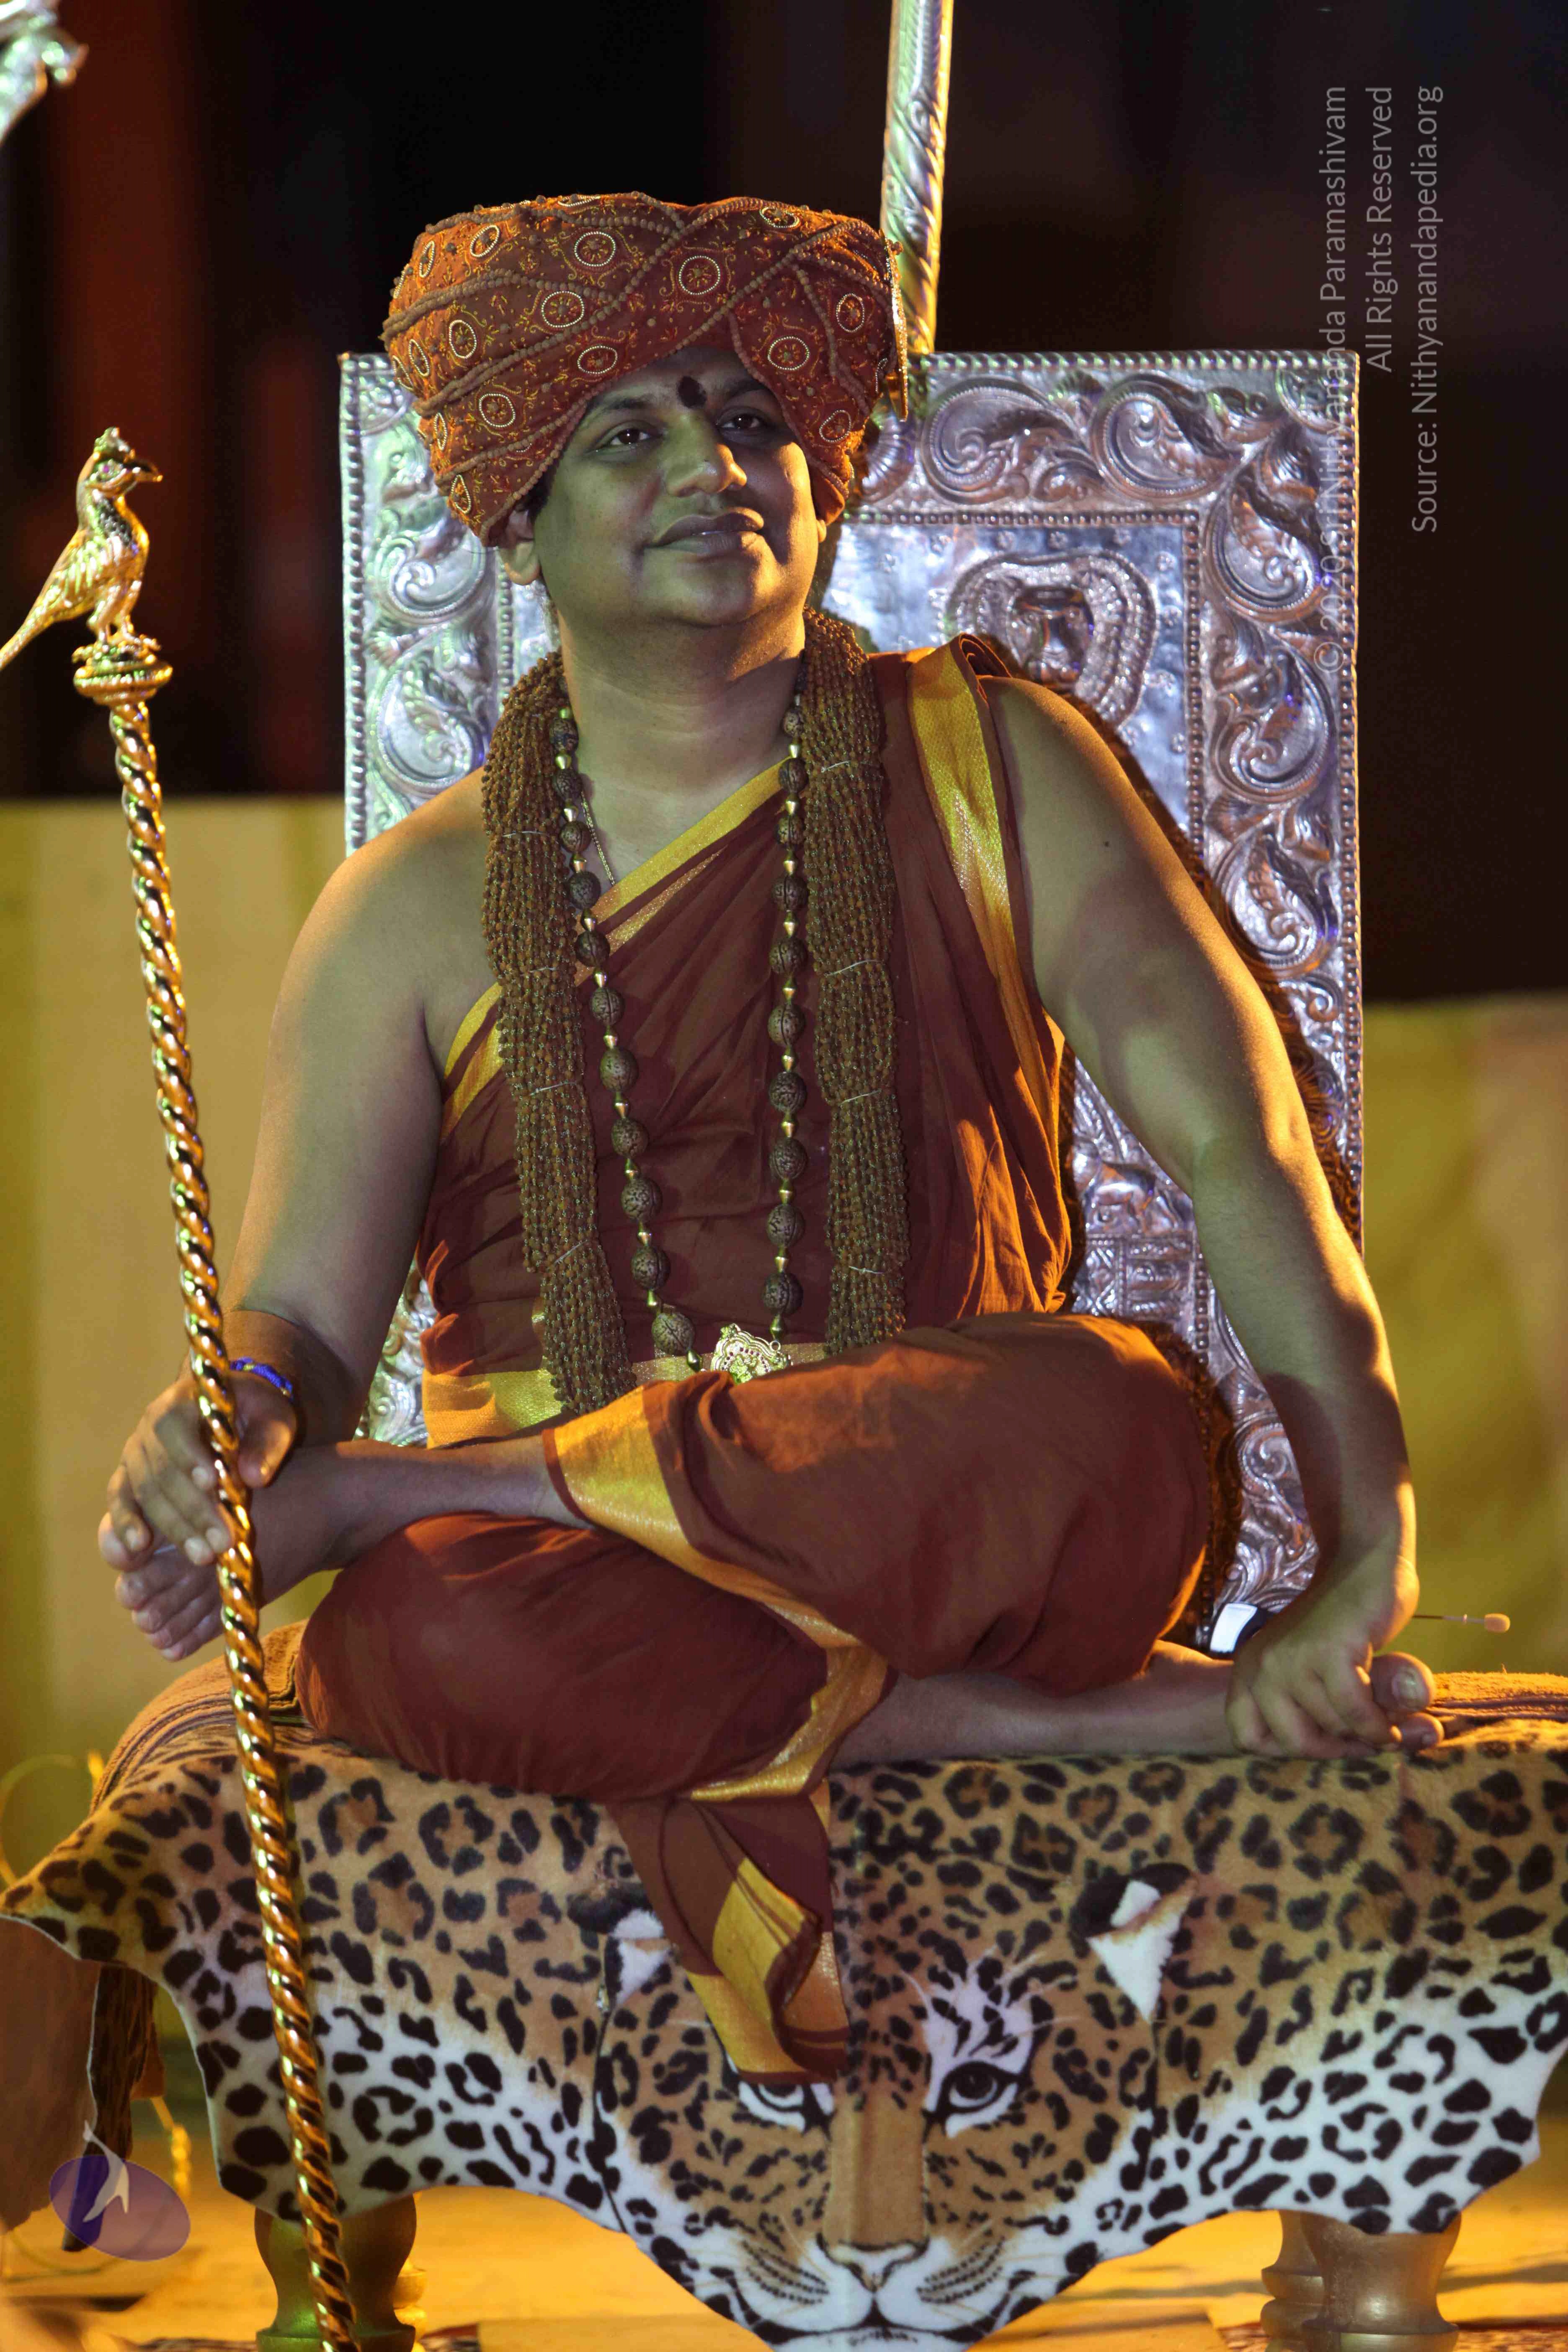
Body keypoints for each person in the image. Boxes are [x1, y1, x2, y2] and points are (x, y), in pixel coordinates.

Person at [97, 193, 1439, 2085]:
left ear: (819, 477)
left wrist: (1372, 1545)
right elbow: (302, 1327)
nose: (711, 466)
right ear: (518, 514)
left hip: (940, 1500)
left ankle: (404, 1502)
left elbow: (1249, 1156)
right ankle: (1077, 1720)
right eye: (626, 433)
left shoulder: (1000, 765)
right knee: (418, 1640)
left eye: (748, 419)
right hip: (569, 1582)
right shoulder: (407, 910)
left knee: (1123, 1426)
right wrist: (227, 1411)